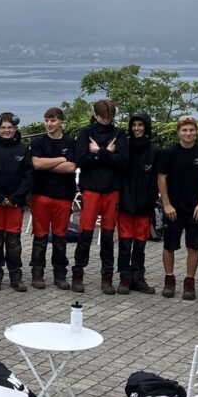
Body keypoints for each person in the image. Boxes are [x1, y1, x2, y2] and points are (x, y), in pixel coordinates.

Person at [72, 99, 128, 294]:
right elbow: (80, 161)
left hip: (112, 191)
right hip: (91, 191)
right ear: (95, 115)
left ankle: (107, 277)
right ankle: (77, 274)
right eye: (103, 118)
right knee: (85, 235)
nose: (106, 121)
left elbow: (123, 163)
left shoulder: (119, 133)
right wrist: (106, 154)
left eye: (109, 118)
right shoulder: (85, 133)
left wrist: (98, 152)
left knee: (107, 237)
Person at [157, 115, 198, 300]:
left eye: (191, 130)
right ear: (179, 132)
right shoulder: (169, 152)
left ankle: (189, 283)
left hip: (196, 208)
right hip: (173, 208)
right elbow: (161, 178)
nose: (188, 133)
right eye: (184, 130)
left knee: (194, 247)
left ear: (196, 132)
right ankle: (169, 280)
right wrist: (166, 204)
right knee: (169, 245)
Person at [0, 112, 34, 292]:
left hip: (15, 203)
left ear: (16, 128)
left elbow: (28, 176)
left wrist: (15, 197)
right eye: (3, 127)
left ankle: (15, 277)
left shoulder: (23, 149)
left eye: (10, 127)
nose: (7, 130)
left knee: (13, 242)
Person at [29, 107, 78, 290]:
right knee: (40, 237)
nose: (49, 124)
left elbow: (71, 168)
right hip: (41, 195)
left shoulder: (71, 142)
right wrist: (60, 159)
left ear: (61, 122)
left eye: (53, 120)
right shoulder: (38, 142)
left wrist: (47, 164)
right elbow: (37, 164)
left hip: (63, 196)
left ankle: (60, 274)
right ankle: (37, 273)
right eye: (47, 120)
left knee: (60, 237)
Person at [116, 112, 159, 295]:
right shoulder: (124, 148)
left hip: (144, 205)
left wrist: (150, 203)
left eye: (140, 125)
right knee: (125, 244)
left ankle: (138, 277)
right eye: (134, 125)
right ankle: (125, 278)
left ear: (146, 127)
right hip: (125, 204)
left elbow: (156, 180)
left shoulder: (155, 151)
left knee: (140, 244)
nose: (137, 129)